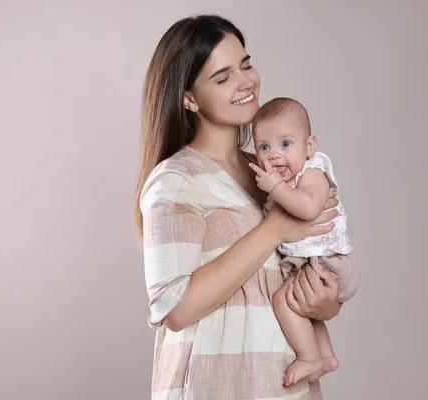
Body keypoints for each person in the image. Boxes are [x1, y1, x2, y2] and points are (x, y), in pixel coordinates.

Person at [134, 15, 346, 399]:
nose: (246, 82)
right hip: (219, 387)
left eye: (246, 64)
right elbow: (175, 308)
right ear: (189, 98)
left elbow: (286, 279)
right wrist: (275, 229)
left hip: (288, 388)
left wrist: (325, 303)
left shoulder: (276, 174)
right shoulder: (176, 181)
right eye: (223, 76)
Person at [248, 97, 360, 386]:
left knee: (283, 302)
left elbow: (309, 208)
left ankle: (309, 357)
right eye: (264, 147)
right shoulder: (285, 182)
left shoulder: (313, 171)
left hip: (329, 262)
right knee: (304, 310)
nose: (274, 155)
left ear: (309, 146)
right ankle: (325, 355)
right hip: (312, 262)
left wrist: (275, 188)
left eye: (286, 144)